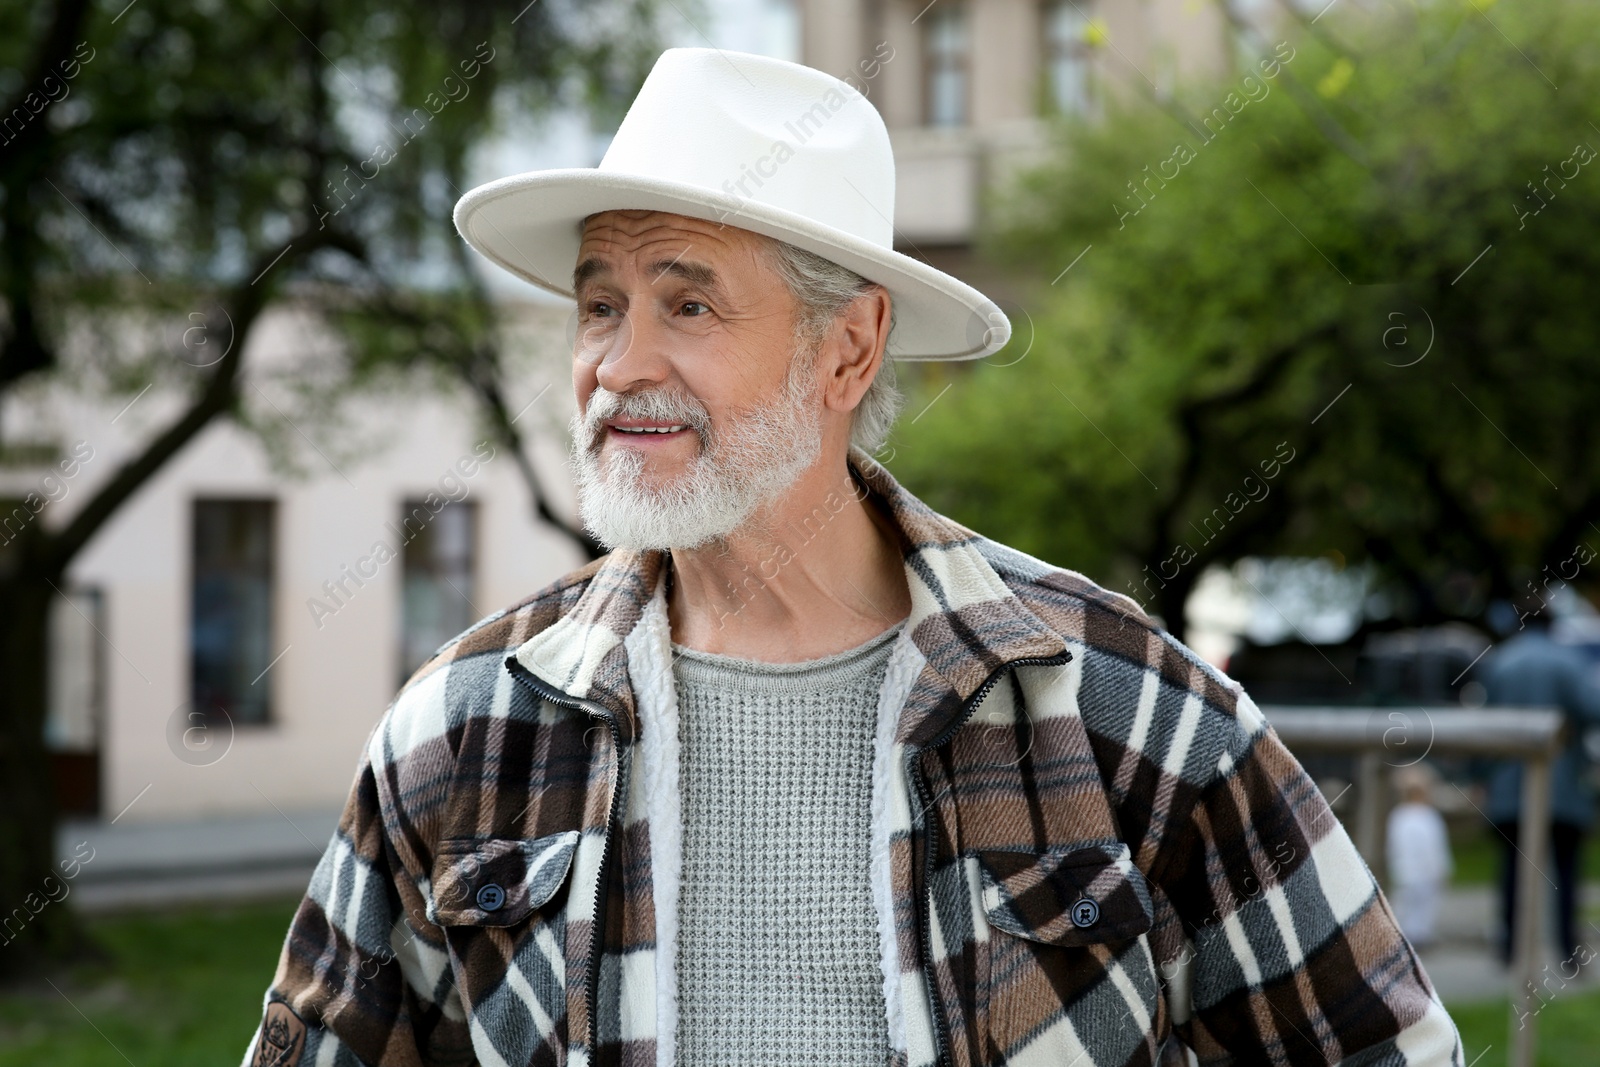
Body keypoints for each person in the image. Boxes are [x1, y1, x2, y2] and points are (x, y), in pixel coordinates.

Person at [242, 48, 1462, 1067]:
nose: (617, 364)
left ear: (848, 349)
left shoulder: (1120, 708)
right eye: (599, 303)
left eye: (689, 304)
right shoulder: (458, 733)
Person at [1482, 594, 1600, 967]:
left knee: (1512, 870)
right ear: (1553, 625)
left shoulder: (1499, 662)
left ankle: (1509, 949)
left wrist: (1478, 777)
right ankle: (1567, 952)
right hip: (1562, 787)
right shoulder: (1569, 663)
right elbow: (1593, 710)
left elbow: (1481, 727)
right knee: (1565, 870)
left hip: (1507, 788)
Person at [1387, 767, 1453, 948]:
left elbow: (1393, 846)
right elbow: (1436, 848)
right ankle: (1419, 936)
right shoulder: (1429, 816)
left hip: (1405, 871)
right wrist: (1442, 869)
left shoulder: (1398, 816)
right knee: (1422, 906)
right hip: (1425, 872)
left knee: (1408, 906)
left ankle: (1410, 936)